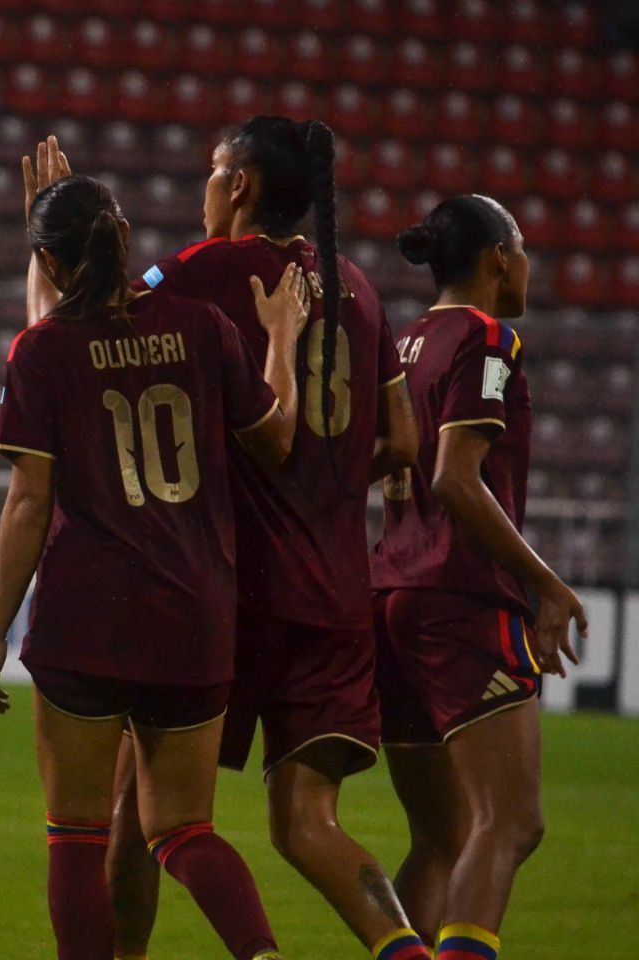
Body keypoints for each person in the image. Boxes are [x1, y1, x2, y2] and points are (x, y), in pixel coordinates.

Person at [77, 117, 426, 960]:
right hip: (338, 595)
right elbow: (406, 444)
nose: (203, 188)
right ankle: (410, 952)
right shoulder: (359, 288)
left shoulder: (207, 271)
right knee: (308, 823)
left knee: (146, 817)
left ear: (238, 186)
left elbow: (87, 326)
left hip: (229, 597)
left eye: (209, 171)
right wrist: (325, 480)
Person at [0, 171, 311, 960]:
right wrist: (284, 337)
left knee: (76, 836)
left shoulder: (42, 351)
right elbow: (278, 438)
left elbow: (28, 502)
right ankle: (260, 952)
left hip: (87, 623)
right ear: (123, 239)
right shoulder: (203, 327)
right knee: (185, 829)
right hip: (193, 619)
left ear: (49, 263)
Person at [371, 196, 587, 958]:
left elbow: (383, 465)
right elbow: (456, 480)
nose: (528, 264)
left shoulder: (402, 344)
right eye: (523, 248)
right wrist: (547, 585)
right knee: (510, 823)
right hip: (459, 602)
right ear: (499, 257)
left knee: (440, 836)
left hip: (392, 599)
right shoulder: (488, 338)